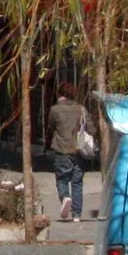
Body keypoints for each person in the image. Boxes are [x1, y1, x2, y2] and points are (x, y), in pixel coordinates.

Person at [46, 82, 90, 222]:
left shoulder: (55, 110)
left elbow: (50, 127)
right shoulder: (81, 109)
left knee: (62, 179)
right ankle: (76, 215)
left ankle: (65, 197)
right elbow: (91, 128)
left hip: (62, 150)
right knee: (77, 183)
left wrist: (49, 143)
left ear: (60, 94)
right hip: (79, 151)